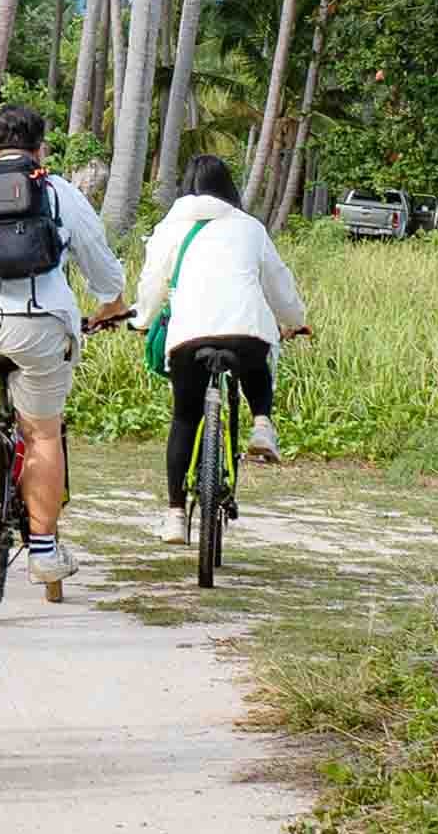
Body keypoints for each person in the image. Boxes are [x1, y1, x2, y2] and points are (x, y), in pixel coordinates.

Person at [0, 103, 130, 589]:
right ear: (41, 150)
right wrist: (110, 307)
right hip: (36, 329)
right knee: (41, 433)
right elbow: (102, 270)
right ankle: (42, 550)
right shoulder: (57, 192)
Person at [127, 151, 312, 542]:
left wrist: (142, 321)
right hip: (246, 329)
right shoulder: (249, 227)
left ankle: (176, 514)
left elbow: (152, 284)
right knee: (254, 361)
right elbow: (279, 283)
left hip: (188, 335)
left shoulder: (170, 228)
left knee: (185, 418)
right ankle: (262, 424)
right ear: (228, 187)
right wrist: (295, 322)